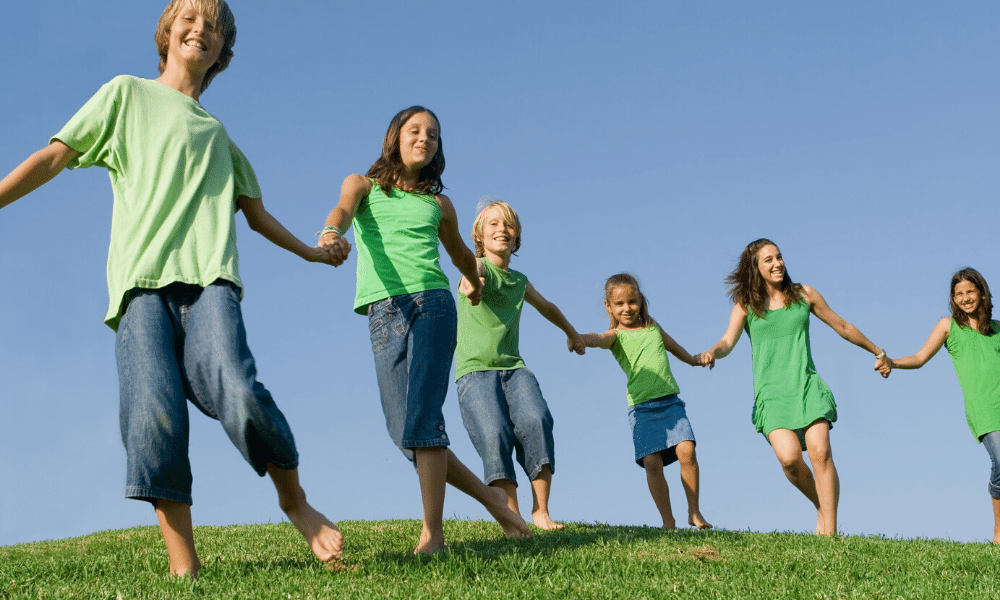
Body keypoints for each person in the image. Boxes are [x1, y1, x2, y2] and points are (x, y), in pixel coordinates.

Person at [0, 0, 346, 577]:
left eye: (214, 26)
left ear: (222, 52)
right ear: (167, 32)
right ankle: (185, 567)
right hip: (140, 289)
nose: (200, 29)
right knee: (152, 415)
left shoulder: (219, 136)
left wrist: (313, 252)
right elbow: (54, 157)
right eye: (189, 17)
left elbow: (258, 217)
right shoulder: (125, 95)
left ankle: (295, 502)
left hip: (211, 283)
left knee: (237, 387)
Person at [318, 107, 531, 554]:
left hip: (432, 305)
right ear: (395, 137)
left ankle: (433, 533)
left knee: (424, 419)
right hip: (382, 313)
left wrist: (474, 282)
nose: (424, 139)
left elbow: (459, 254)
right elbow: (341, 210)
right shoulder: (362, 185)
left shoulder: (439, 205)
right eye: (415, 131)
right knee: (405, 434)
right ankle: (495, 502)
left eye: (433, 135)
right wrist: (331, 232)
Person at [698, 238, 887, 536]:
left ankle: (831, 535)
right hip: (772, 394)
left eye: (779, 257)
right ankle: (821, 506)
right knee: (789, 460)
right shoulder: (746, 305)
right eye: (768, 260)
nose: (777, 264)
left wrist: (878, 351)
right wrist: (712, 352)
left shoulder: (804, 294)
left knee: (820, 453)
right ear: (755, 268)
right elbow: (727, 341)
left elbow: (843, 326)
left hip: (806, 385)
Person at [454, 197, 585, 530]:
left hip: (514, 368)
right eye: (494, 224)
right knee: (494, 433)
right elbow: (470, 274)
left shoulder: (519, 281)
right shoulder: (477, 265)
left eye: (509, 225)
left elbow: (547, 306)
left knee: (536, 418)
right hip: (475, 371)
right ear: (479, 236)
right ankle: (512, 517)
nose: (502, 229)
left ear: (517, 238)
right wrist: (471, 285)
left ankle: (540, 512)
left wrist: (571, 333)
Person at [580, 273, 712, 530]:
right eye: (619, 304)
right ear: (609, 306)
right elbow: (598, 338)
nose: (627, 308)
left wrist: (695, 360)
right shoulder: (616, 336)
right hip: (641, 409)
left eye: (632, 301)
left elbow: (676, 349)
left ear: (640, 300)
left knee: (687, 450)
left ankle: (694, 512)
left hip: (670, 402)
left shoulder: (653, 328)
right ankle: (668, 521)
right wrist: (579, 337)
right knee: (652, 462)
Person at [881, 268, 1000, 543]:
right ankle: (998, 533)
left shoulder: (997, 329)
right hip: (984, 409)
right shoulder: (949, 326)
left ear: (982, 294)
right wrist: (892, 362)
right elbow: (920, 357)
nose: (965, 298)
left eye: (970, 292)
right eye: (959, 294)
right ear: (953, 299)